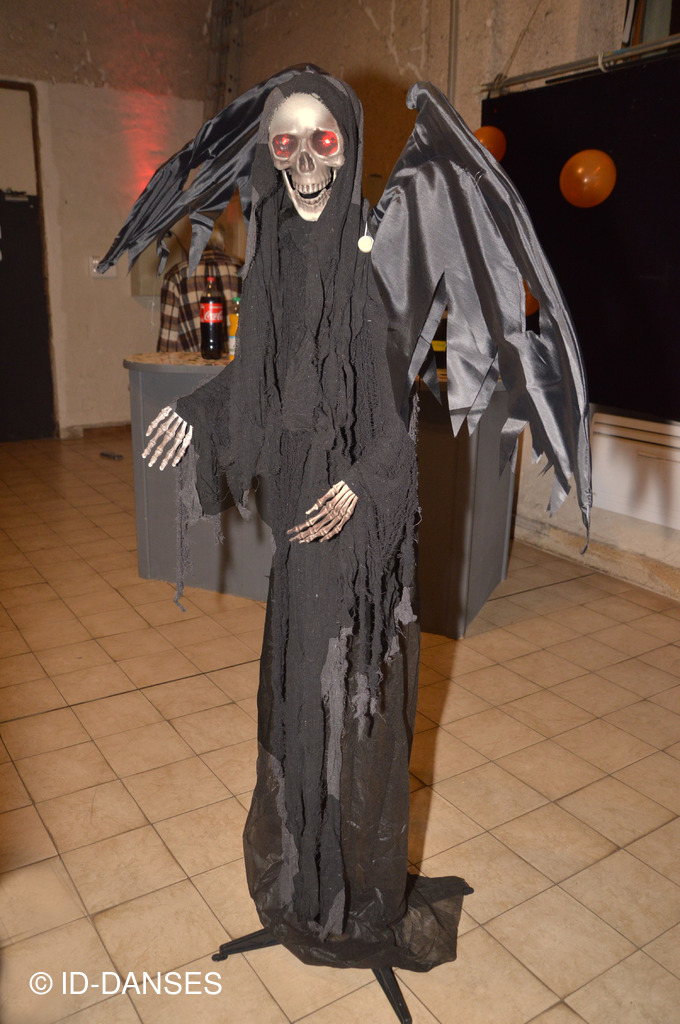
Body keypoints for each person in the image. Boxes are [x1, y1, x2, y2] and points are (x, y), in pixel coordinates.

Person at [100, 65, 591, 976]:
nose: (303, 161)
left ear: (348, 145)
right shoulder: (273, 253)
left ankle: (357, 903)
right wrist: (199, 413)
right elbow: (259, 380)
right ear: (268, 153)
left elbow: (398, 421)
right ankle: (303, 886)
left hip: (359, 523)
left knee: (350, 700)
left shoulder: (380, 251)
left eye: (321, 140)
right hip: (299, 511)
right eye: (284, 142)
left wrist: (361, 486)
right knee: (298, 690)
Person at [156, 225, 241, 352]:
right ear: (224, 245)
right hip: (238, 362)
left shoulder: (176, 276)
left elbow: (167, 342)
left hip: (192, 364)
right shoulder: (244, 272)